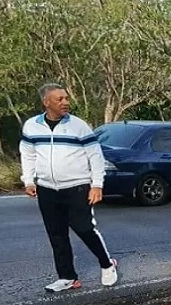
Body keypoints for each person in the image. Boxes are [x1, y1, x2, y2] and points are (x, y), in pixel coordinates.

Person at [20, 83, 118, 293]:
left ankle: (107, 264)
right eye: (60, 99)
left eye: (66, 98)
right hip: (46, 189)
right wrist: (28, 180)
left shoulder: (78, 126)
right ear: (46, 102)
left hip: (77, 188)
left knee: (84, 229)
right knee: (56, 234)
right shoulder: (31, 126)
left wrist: (97, 185)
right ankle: (67, 277)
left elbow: (95, 156)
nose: (66, 103)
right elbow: (27, 154)